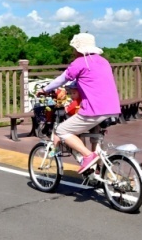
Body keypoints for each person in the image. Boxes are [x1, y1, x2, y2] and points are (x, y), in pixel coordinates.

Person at [38, 32, 121, 175]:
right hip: (112, 108)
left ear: (78, 49)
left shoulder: (80, 62)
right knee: (92, 134)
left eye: (74, 48)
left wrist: (45, 89)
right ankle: (98, 169)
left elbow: (62, 79)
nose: (73, 51)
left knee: (62, 130)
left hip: (94, 109)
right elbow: (89, 81)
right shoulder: (103, 61)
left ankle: (89, 156)